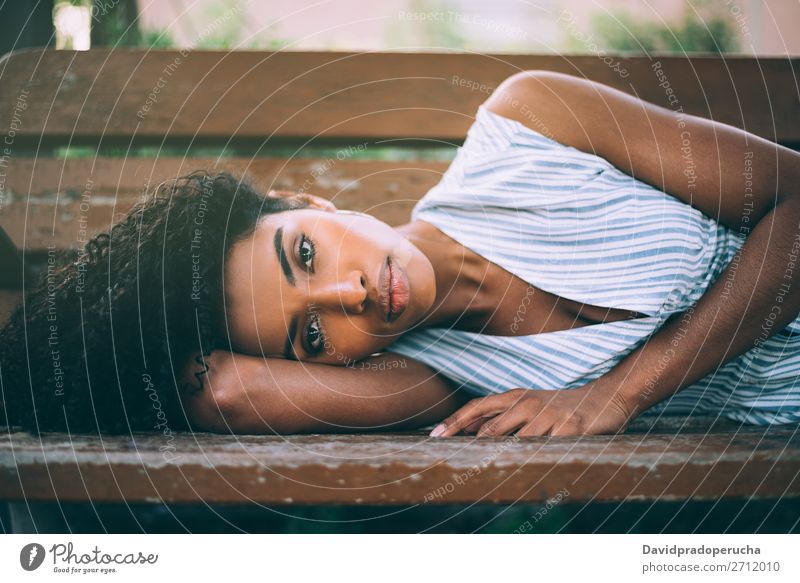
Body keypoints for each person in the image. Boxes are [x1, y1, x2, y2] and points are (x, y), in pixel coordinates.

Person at [2, 71, 799, 437]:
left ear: (308, 203)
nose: (348, 297)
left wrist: (619, 394)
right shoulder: (431, 380)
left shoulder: (529, 127)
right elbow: (231, 392)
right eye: (311, 337)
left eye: (304, 255)